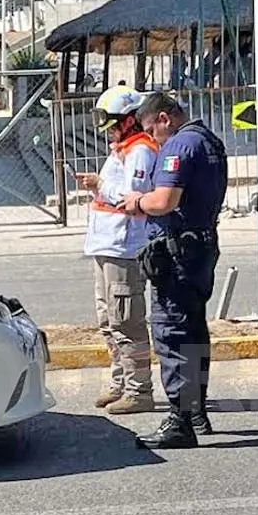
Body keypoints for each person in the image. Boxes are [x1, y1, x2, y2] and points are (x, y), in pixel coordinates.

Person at [122, 91, 228, 450]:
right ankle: (196, 410)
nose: (152, 138)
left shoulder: (179, 146)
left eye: (152, 129)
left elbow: (165, 200)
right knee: (194, 329)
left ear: (165, 118)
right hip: (200, 245)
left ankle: (180, 420)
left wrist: (137, 202)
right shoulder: (209, 141)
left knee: (172, 332)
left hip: (178, 252)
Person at [73, 85, 159, 415]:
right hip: (107, 245)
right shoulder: (122, 148)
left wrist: (99, 185)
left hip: (125, 247)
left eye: (112, 122)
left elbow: (131, 196)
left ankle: (139, 390)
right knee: (108, 320)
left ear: (129, 120)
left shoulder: (140, 150)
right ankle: (121, 381)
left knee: (128, 321)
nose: (108, 129)